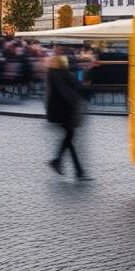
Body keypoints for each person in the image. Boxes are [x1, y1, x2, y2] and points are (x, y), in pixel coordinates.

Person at [45, 52, 90, 180]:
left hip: (59, 111)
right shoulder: (60, 75)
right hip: (64, 111)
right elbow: (72, 89)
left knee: (69, 139)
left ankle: (69, 167)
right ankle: (74, 169)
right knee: (69, 137)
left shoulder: (55, 74)